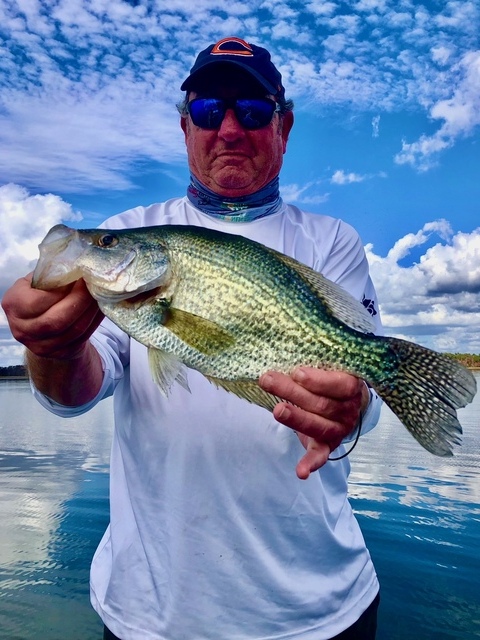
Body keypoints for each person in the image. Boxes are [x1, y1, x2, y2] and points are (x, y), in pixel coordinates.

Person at [2, 37, 383, 640]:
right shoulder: (132, 232)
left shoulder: (331, 241)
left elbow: (364, 390)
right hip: (152, 614)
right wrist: (53, 349)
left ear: (284, 128)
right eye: (209, 111)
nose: (229, 128)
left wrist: (355, 406)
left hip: (319, 610)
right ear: (186, 128)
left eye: (253, 112)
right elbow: (74, 394)